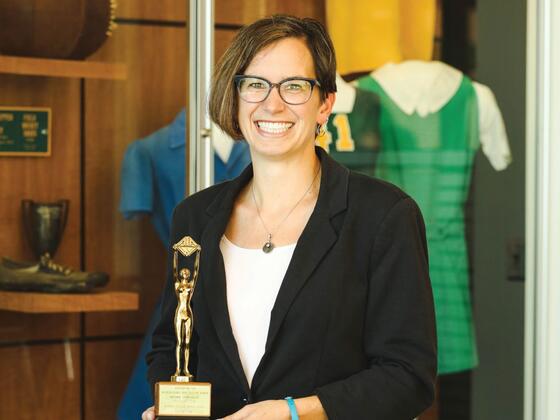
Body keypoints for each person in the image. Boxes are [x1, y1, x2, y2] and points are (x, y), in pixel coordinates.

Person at [143, 15, 436, 420]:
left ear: (325, 104)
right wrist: (170, 408)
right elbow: (168, 346)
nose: (272, 103)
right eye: (255, 85)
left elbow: (408, 378)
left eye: (294, 86)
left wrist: (294, 412)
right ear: (236, 96)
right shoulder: (194, 217)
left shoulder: (383, 216)